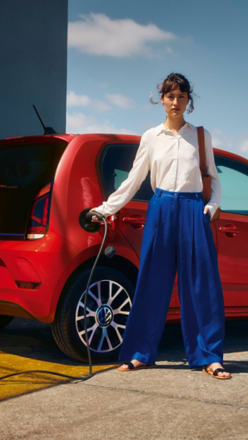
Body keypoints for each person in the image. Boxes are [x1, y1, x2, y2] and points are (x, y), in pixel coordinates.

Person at [89, 73, 231, 380]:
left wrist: (210, 208)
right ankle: (140, 353)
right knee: (152, 282)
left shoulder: (201, 136)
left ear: (188, 101)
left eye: (181, 96)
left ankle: (209, 356)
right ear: (161, 99)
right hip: (162, 208)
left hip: (194, 209)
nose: (176, 102)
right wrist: (104, 209)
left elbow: (214, 179)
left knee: (202, 285)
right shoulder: (150, 137)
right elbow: (133, 180)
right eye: (170, 96)